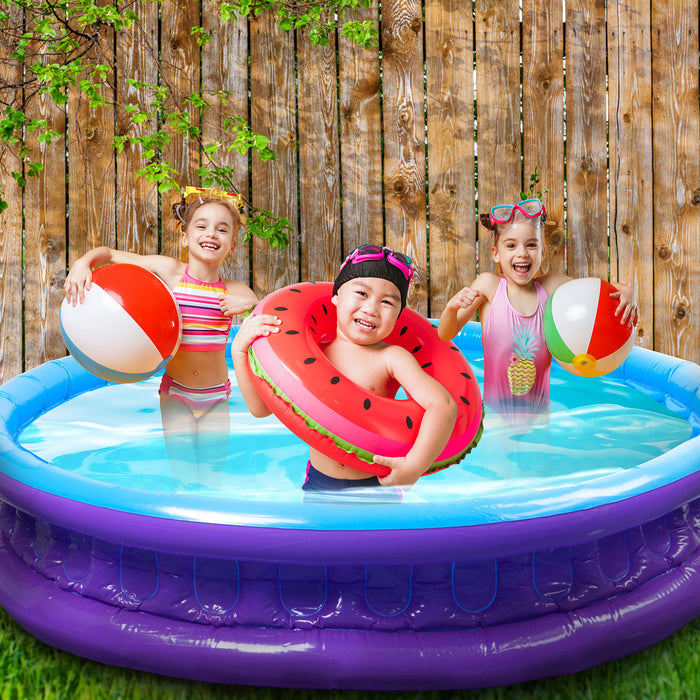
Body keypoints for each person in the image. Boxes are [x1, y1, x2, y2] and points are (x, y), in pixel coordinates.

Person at [64, 186, 258, 486]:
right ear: (185, 237)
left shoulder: (235, 291)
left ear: (231, 245)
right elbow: (110, 255)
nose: (212, 234)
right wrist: (83, 263)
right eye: (202, 226)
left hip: (217, 397)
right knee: (183, 479)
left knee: (211, 481)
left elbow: (263, 314)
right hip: (176, 394)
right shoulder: (170, 272)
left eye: (222, 230)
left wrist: (252, 303)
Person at [231, 244, 458, 492]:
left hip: (376, 485)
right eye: (361, 293)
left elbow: (442, 405)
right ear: (336, 297)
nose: (371, 309)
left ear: (398, 315)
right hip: (319, 480)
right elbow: (261, 409)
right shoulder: (315, 351)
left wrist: (414, 466)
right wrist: (239, 351)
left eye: (387, 302)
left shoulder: (393, 358)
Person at [438, 198, 638, 416]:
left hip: (539, 417)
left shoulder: (552, 287)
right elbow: (446, 333)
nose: (522, 253)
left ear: (542, 252)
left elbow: (598, 291)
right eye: (511, 245)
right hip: (495, 415)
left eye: (531, 244)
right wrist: (451, 308)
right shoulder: (489, 286)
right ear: (496, 252)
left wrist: (627, 291)